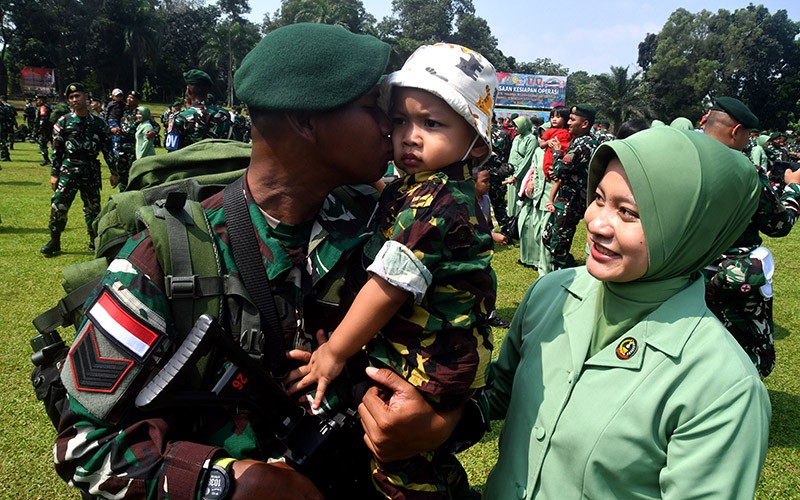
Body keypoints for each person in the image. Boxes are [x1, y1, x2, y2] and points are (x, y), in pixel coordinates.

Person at [54, 24, 471, 500]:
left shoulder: (387, 228)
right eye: (373, 106)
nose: (392, 124)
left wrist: (443, 421)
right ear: (306, 121)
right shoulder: (168, 256)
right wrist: (231, 483)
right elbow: (82, 446)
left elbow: (458, 349)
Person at [484, 126, 769, 498]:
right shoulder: (550, 293)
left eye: (628, 213)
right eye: (599, 198)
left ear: (689, 230)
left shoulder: (722, 386)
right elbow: (497, 393)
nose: (596, 222)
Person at [288, 42, 497, 498]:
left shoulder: (435, 206)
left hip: (426, 361)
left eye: (432, 123)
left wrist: (334, 353)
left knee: (402, 474)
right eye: (401, 120)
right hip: (428, 353)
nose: (410, 136)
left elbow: (387, 287)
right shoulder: (425, 190)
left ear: (476, 142)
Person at [702, 96, 800, 378]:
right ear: (736, 132)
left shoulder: (678, 160)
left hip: (681, 274)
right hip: (730, 279)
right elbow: (779, 224)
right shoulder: (745, 170)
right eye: (747, 134)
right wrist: (793, 190)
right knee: (741, 354)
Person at [40, 83, 118, 257]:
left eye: (78, 96)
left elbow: (107, 149)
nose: (75, 100)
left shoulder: (99, 123)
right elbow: (57, 151)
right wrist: (54, 174)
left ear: (86, 97)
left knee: (93, 208)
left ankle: (94, 240)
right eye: (71, 97)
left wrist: (114, 172)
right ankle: (55, 240)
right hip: (69, 169)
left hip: (90, 169)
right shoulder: (64, 122)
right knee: (59, 205)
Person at [543, 104, 599, 270]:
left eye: (572, 120)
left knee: (558, 244)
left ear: (585, 124)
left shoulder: (584, 144)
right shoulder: (577, 140)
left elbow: (561, 170)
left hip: (571, 202)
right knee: (549, 237)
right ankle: (568, 264)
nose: (568, 122)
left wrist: (557, 152)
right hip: (565, 197)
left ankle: (561, 275)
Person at [171, 69, 231, 149]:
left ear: (189, 90)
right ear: (208, 91)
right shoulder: (224, 114)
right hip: (218, 160)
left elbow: (172, 151)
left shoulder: (180, 117)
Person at [503, 115, 535, 220]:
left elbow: (528, 159)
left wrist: (517, 176)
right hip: (511, 173)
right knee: (511, 201)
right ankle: (511, 223)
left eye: (518, 125)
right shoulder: (517, 138)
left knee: (519, 201)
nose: (515, 128)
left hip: (522, 176)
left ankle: (517, 226)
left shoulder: (531, 139)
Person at [34, 94, 53, 165]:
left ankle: (47, 159)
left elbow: (42, 119)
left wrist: (39, 129)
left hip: (45, 130)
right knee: (54, 144)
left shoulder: (43, 108)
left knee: (42, 144)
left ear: (42, 100)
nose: (37, 101)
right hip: (52, 128)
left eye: (38, 100)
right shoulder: (50, 107)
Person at [0, 95, 16, 161]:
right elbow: (13, 115)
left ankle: (5, 155)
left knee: (2, 141)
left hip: (2, 125)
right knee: (4, 140)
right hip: (7, 125)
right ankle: (6, 155)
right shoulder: (9, 106)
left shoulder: (2, 107)